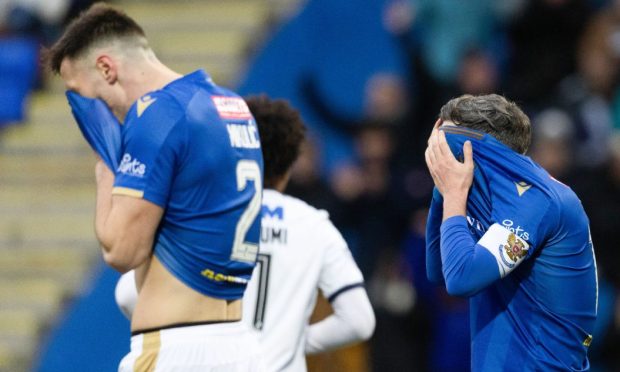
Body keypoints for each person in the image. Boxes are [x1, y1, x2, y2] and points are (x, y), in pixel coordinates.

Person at [46, 3, 264, 371]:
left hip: (177, 350)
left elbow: (121, 250)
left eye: (80, 93)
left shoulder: (159, 114)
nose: (88, 110)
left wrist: (105, 171)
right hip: (240, 345)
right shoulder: (230, 103)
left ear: (106, 68)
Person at [117, 95, 375, 371]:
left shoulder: (202, 215)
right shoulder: (314, 224)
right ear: (289, 168)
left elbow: (127, 295)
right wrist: (294, 340)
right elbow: (359, 321)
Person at [424, 94, 598, 370]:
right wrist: (443, 190)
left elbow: (460, 279)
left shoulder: (538, 200)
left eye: (450, 149)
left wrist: (454, 193)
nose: (441, 157)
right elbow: (439, 272)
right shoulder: (490, 196)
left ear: (481, 152)